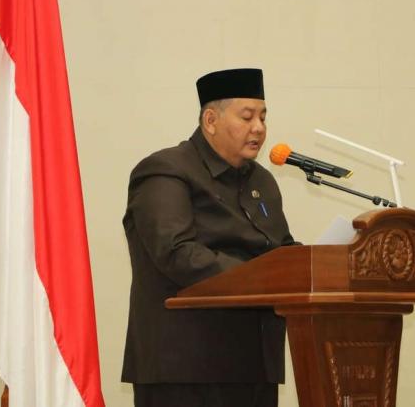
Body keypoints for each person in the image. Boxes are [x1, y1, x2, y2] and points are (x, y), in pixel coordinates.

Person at [121, 68, 298, 407]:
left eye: (263, 117)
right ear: (211, 120)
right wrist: (262, 278)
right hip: (186, 368)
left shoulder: (262, 181)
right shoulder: (165, 170)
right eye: (247, 117)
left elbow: (281, 250)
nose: (259, 128)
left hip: (256, 366)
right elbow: (177, 253)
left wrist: (317, 264)